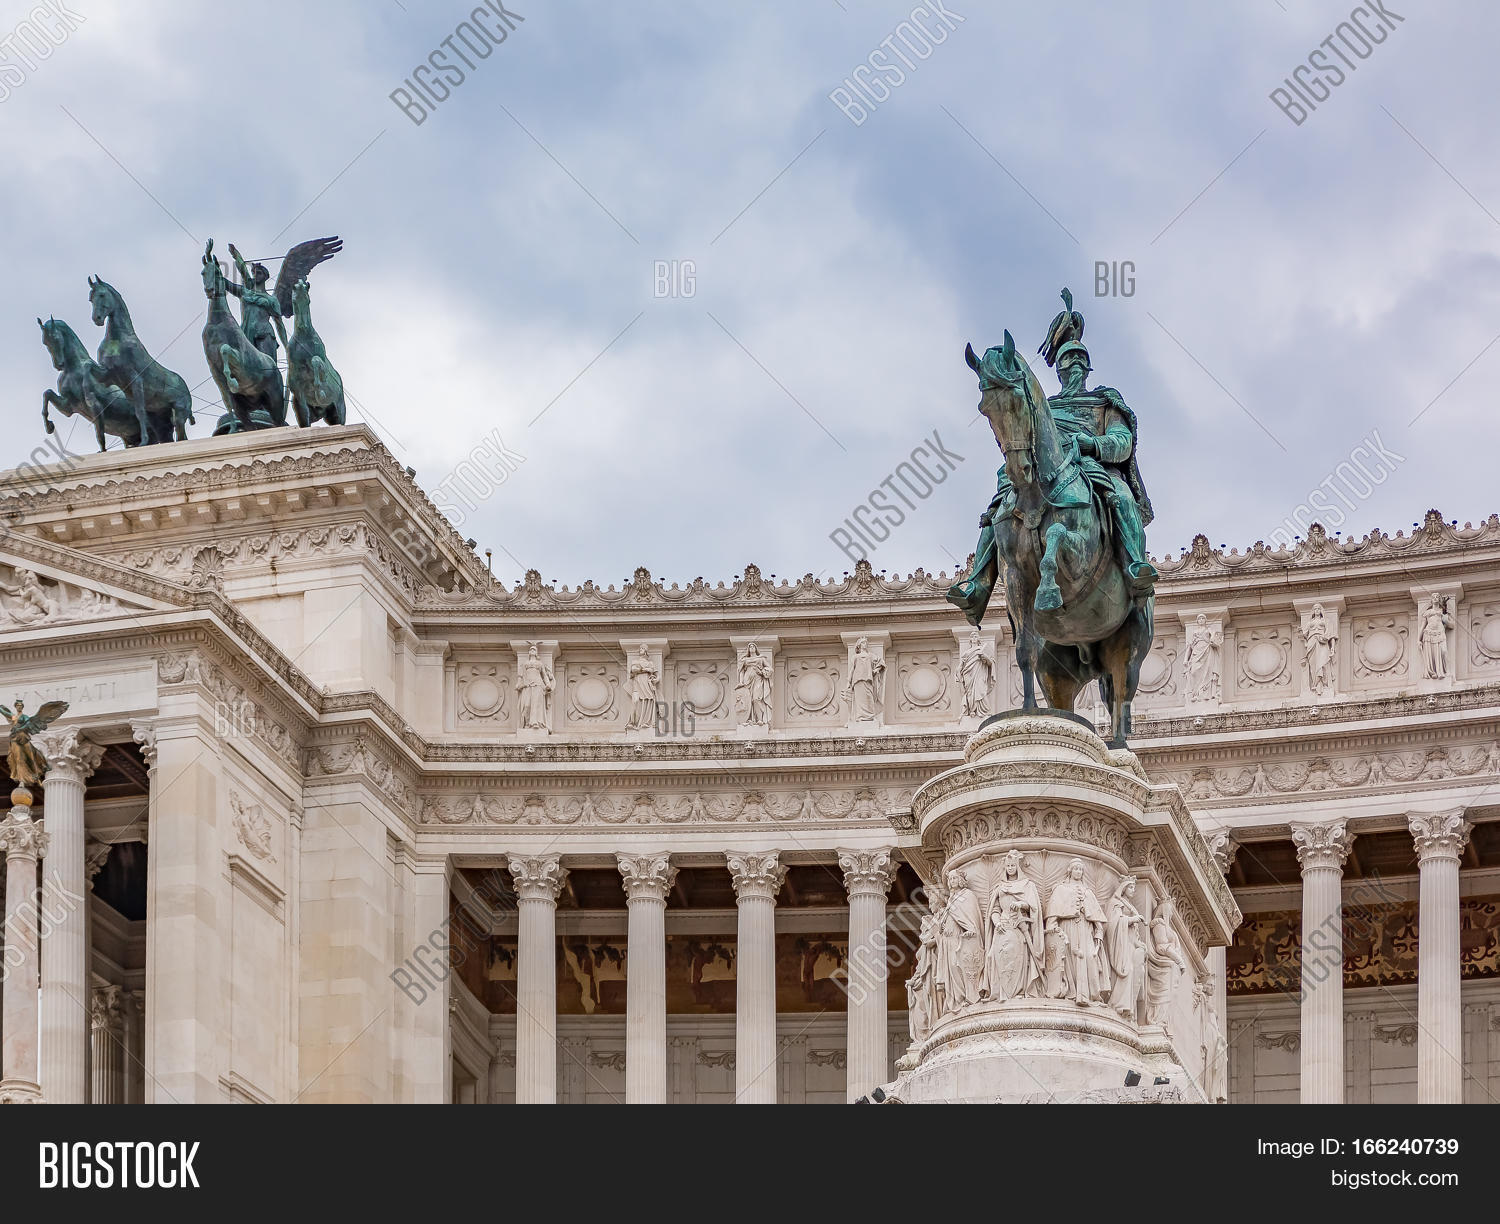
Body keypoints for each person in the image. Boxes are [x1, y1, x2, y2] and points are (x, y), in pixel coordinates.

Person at [1045, 858, 1107, 1005]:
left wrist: (1097, 932)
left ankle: (1089, 994)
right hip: (1067, 927)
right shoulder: (1061, 889)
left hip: (1085, 929)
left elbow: (1098, 920)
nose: (1078, 872)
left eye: (1081, 869)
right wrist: (1053, 929)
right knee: (1071, 959)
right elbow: (1053, 913)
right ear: (1070, 871)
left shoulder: (1088, 892)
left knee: (1088, 958)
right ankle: (1072, 993)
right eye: (1076, 869)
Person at [984, 851, 1043, 1001]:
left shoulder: (1027, 885)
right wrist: (996, 923)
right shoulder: (1000, 887)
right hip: (1002, 926)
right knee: (994, 956)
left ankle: (1018, 991)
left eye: (1013, 865)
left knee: (1016, 959)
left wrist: (1021, 904)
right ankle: (999, 993)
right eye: (1008, 866)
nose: (1010, 868)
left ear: (1018, 867)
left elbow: (1033, 906)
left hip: (1018, 925)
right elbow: (995, 909)